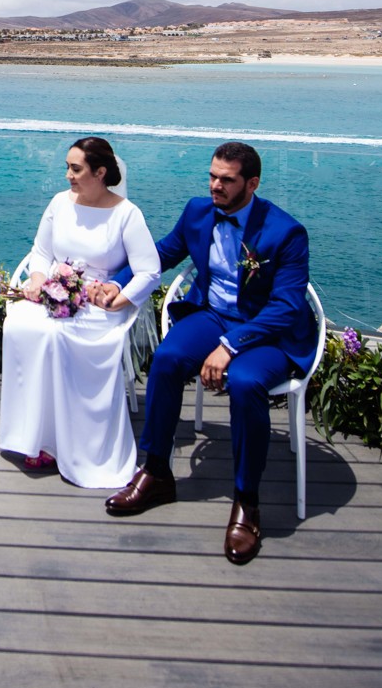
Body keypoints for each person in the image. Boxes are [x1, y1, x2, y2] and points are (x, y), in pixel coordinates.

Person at [103, 141, 317, 567]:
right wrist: (120, 283)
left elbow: (287, 306)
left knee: (245, 381)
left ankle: (246, 501)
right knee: (165, 359)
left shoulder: (285, 232)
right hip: (213, 315)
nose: (216, 185)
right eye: (212, 176)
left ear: (251, 184)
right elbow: (161, 253)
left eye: (227, 179)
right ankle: (157, 472)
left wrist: (230, 346)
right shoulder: (198, 211)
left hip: (268, 333)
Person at [0, 137, 161, 488]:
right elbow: (40, 252)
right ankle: (34, 437)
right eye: (67, 168)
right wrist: (39, 279)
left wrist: (118, 299)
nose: (68, 176)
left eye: (76, 169)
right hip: (55, 293)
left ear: (100, 172)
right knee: (21, 326)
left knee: (58, 335)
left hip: (97, 304)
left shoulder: (126, 214)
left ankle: (71, 444)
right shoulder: (59, 203)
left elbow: (149, 271)